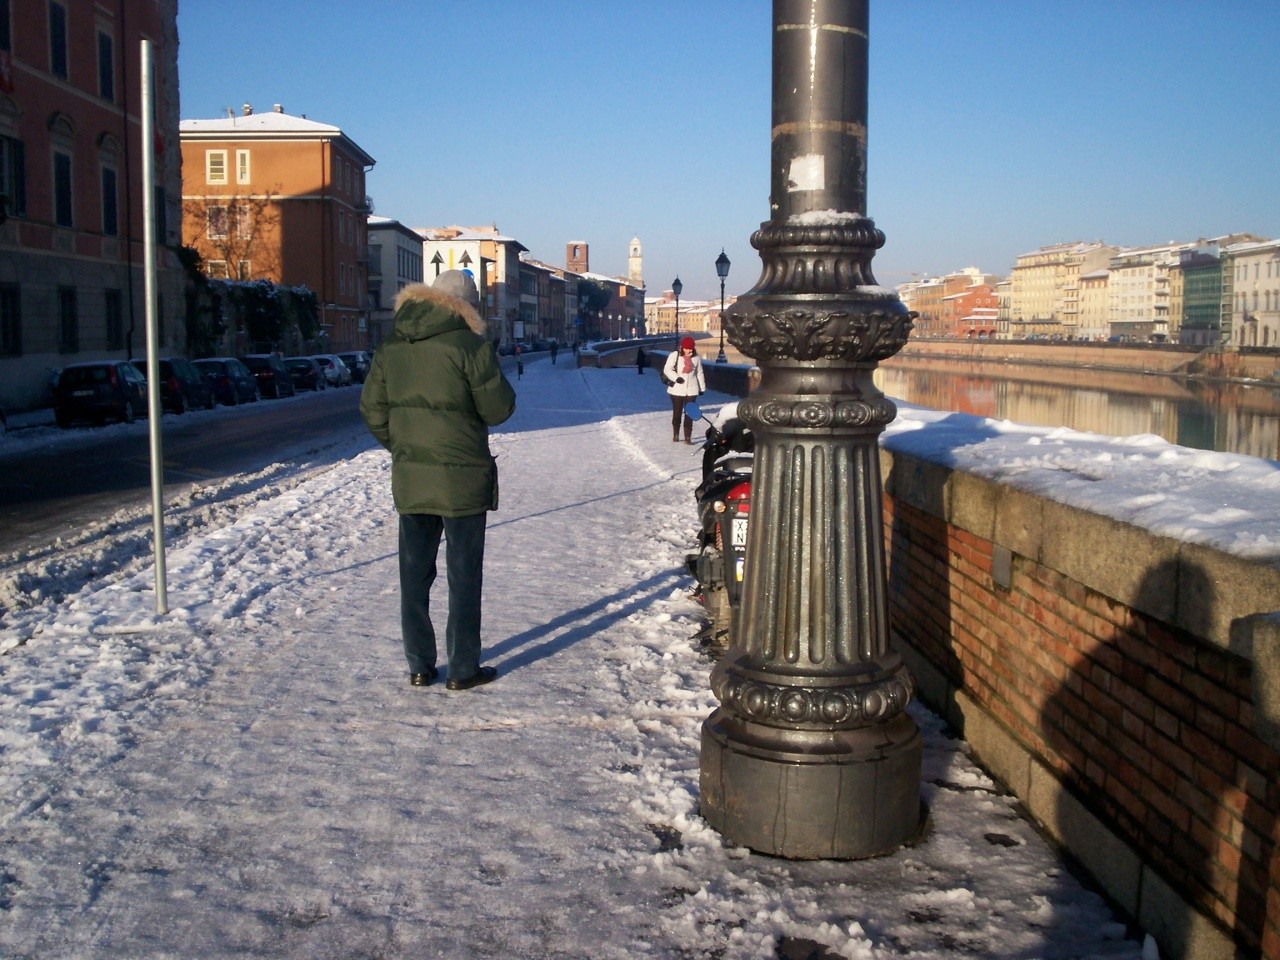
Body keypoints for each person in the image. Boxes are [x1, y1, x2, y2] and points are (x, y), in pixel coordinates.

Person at [359, 270, 516, 692]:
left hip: (412, 479)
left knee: (414, 574)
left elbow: (371, 408)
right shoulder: (471, 346)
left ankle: (419, 666)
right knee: (463, 575)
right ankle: (462, 668)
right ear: (466, 306)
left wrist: (405, 448)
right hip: (462, 481)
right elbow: (499, 409)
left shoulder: (391, 345)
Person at [662, 336, 706, 443]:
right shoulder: (675, 355)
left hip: (692, 389)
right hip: (677, 390)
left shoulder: (696, 358)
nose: (688, 350)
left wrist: (702, 387)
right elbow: (667, 369)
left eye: (690, 348)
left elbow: (699, 373)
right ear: (682, 347)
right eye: (686, 348)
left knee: (690, 413)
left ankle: (688, 437)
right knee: (677, 413)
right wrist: (677, 378)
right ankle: (676, 434)